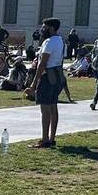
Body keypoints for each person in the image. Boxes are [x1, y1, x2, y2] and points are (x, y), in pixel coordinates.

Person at [25, 18, 65, 148]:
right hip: (57, 75)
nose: (42, 30)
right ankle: (52, 138)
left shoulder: (49, 42)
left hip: (47, 77)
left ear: (51, 28)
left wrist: (34, 83)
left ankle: (44, 139)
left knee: (45, 109)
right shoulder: (60, 40)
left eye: (44, 27)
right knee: (53, 107)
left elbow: (42, 64)